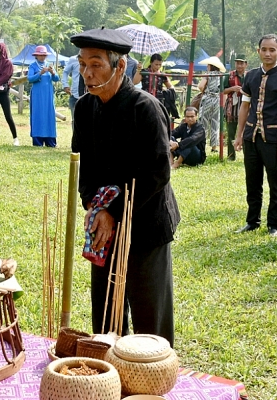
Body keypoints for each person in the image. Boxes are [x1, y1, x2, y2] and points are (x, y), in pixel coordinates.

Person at [70, 28, 180, 346]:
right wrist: (95, 206)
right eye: (82, 65)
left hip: (146, 223)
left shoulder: (145, 108)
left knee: (150, 319)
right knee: (106, 314)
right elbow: (85, 167)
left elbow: (157, 173)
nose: (87, 74)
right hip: (103, 224)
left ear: (120, 67)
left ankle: (150, 382)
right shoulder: (84, 108)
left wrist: (114, 212)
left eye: (96, 64)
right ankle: (110, 376)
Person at [233, 34, 277, 236]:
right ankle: (252, 221)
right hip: (251, 136)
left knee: (275, 183)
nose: (268, 53)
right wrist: (238, 135)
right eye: (264, 49)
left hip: (274, 138)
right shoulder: (251, 76)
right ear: (258, 51)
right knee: (252, 182)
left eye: (272, 50)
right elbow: (244, 107)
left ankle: (274, 225)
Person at [28, 45, 59, 147]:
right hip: (37, 96)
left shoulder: (49, 65)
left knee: (49, 115)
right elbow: (30, 78)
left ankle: (50, 140)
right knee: (37, 115)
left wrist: (53, 72)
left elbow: (56, 79)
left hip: (48, 96)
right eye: (40, 55)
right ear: (36, 56)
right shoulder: (33, 66)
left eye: (44, 55)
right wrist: (40, 73)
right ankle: (38, 140)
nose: (42, 57)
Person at [197, 58, 225, 154]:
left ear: (210, 66)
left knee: (203, 122)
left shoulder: (207, 74)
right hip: (217, 100)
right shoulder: (221, 75)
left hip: (208, 98)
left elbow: (200, 86)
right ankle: (214, 147)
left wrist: (204, 91)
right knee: (215, 123)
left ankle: (201, 145)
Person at [223, 54, 247, 161]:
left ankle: (248, 155)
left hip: (246, 105)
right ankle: (231, 156)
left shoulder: (250, 75)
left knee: (247, 132)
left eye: (241, 63)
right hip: (232, 107)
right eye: (237, 63)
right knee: (231, 133)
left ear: (246, 64)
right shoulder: (229, 75)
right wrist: (232, 88)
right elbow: (222, 91)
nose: (239, 65)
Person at [62, 54, 81, 126]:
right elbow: (65, 72)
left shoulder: (94, 58)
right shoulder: (73, 59)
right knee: (75, 120)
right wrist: (65, 85)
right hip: (75, 95)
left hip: (91, 96)